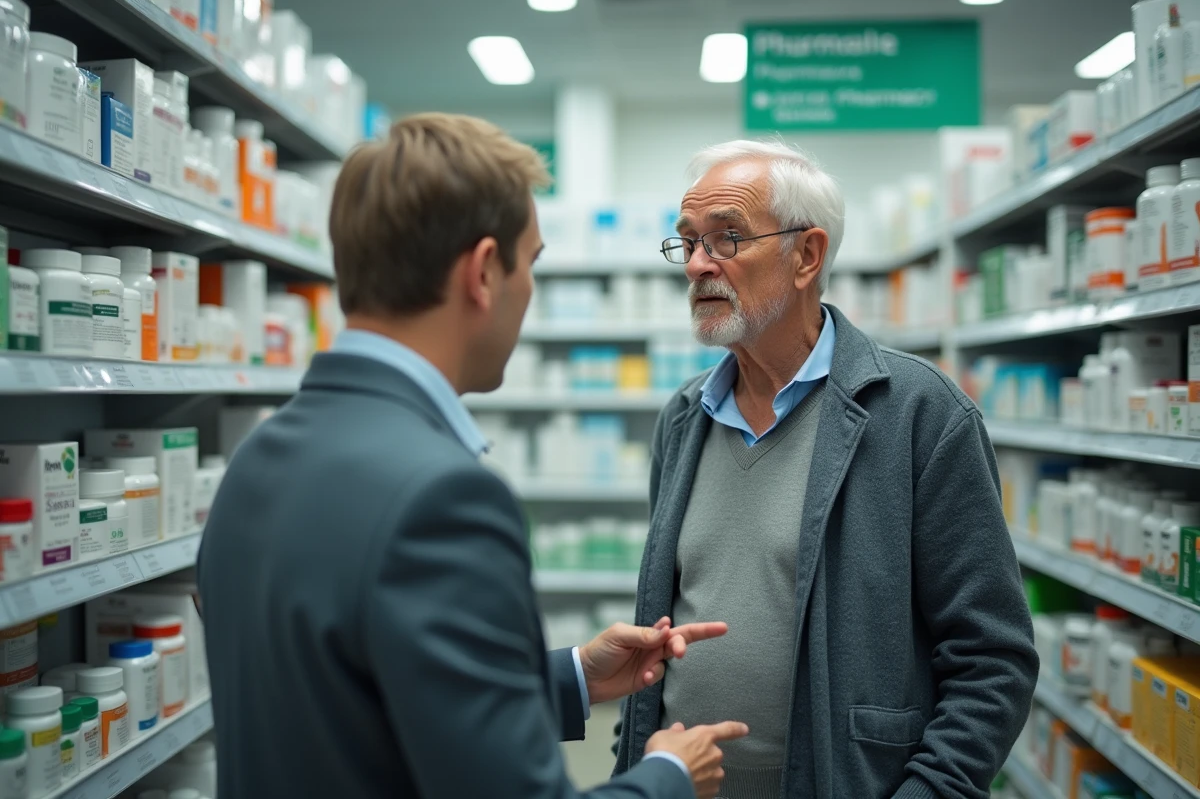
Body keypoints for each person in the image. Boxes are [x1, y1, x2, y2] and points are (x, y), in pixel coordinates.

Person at [197, 113, 749, 798]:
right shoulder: (440, 497)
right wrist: (668, 776)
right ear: (485, 271)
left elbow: (351, 704)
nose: (530, 291)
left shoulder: (257, 461)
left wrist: (573, 674)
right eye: (532, 263)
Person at [612, 140, 1039, 799]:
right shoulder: (684, 416)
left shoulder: (918, 414)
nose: (697, 265)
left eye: (726, 238)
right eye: (687, 241)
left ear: (806, 255)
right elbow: (658, 624)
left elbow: (992, 659)